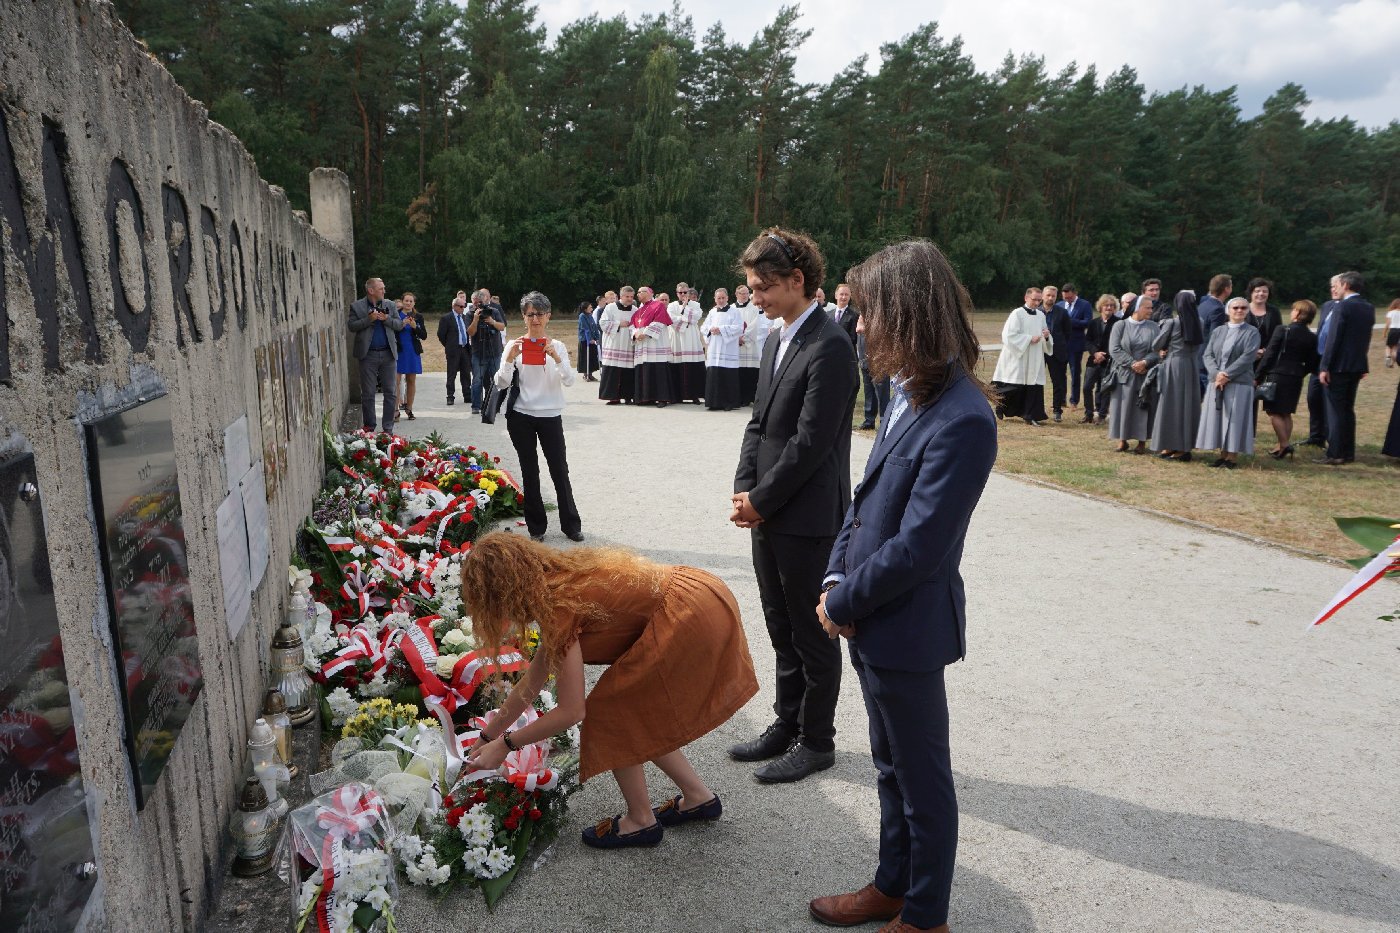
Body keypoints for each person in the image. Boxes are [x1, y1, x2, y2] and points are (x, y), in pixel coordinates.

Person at [808, 239, 997, 933]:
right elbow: (863, 502)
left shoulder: (964, 418)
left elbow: (920, 547)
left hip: (907, 625)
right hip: (868, 617)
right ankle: (891, 885)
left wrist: (841, 601)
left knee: (923, 781)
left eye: (869, 312)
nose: (858, 325)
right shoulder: (905, 391)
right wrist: (836, 574)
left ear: (908, 313)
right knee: (889, 767)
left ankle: (924, 916)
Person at [458, 532, 759, 850]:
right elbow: (531, 683)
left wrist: (506, 745)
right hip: (700, 593)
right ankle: (698, 797)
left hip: (690, 618)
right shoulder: (558, 579)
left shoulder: (557, 610)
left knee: (610, 714)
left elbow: (572, 711)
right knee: (633, 711)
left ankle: (640, 821)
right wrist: (487, 737)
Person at [729, 227, 857, 784]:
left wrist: (761, 499)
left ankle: (818, 740)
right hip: (768, 507)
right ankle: (787, 722)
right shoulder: (775, 340)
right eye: (752, 287)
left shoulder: (831, 345)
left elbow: (811, 442)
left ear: (797, 280)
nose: (754, 297)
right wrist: (745, 490)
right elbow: (758, 424)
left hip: (806, 514)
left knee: (811, 630)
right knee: (779, 623)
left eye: (763, 287)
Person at [496, 292, 583, 542]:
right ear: (523, 317)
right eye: (530, 314)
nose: (535, 319)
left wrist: (556, 358)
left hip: (550, 414)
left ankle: (571, 525)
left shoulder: (558, 346)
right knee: (529, 471)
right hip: (521, 415)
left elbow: (569, 380)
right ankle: (536, 528)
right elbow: (501, 382)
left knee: (559, 469)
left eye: (540, 314)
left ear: (548, 316)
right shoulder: (513, 345)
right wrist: (510, 359)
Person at [1316, 271, 1374, 466]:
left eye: (1338, 285)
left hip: (1338, 366)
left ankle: (1335, 453)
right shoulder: (1368, 307)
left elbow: (1334, 339)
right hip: (1355, 365)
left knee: (1335, 411)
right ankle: (1348, 452)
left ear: (1346, 286)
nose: (1336, 289)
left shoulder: (1342, 306)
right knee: (1348, 409)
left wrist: (1325, 366)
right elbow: (1364, 338)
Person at [1196, 297, 1261, 468]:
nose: (1239, 310)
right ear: (1228, 310)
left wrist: (1227, 374)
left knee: (1235, 419)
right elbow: (1207, 354)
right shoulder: (1218, 330)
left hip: (1239, 382)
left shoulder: (1252, 332)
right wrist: (1216, 374)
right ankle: (1222, 454)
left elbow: (1248, 357)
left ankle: (1232, 456)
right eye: (1235, 307)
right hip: (1217, 381)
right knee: (1219, 418)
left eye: (1243, 308)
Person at [1256, 300, 1320, 459]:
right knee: (1286, 412)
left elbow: (1269, 355)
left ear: (1298, 313)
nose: (1291, 312)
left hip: (1277, 375)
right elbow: (1313, 362)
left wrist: (1258, 376)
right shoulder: (1312, 336)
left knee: (1273, 412)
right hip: (1296, 377)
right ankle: (1281, 445)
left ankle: (1284, 445)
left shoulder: (1282, 330)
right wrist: (1299, 372)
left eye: (1293, 310)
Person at [1149, 290, 1204, 461]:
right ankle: (1182, 446)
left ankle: (1172, 445)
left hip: (1174, 365)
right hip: (1192, 365)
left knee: (1170, 405)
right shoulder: (1200, 321)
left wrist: (1164, 347)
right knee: (1187, 406)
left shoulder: (1172, 323)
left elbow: (1156, 345)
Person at [348, 276, 405, 433]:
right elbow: (352, 326)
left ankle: (388, 429)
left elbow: (399, 325)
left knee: (390, 392)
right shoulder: (357, 306)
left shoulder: (390, 305)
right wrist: (369, 319)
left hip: (388, 354)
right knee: (368, 393)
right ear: (371, 290)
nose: (384, 291)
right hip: (368, 355)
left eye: (384, 288)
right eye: (381, 289)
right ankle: (370, 428)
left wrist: (386, 319)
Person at [1106, 296, 1161, 454]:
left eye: (1151, 308)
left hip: (1146, 374)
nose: (1151, 310)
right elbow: (1114, 349)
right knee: (1122, 408)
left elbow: (1157, 350)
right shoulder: (1120, 325)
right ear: (1137, 308)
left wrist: (1144, 362)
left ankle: (1142, 442)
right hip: (1124, 374)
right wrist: (1132, 364)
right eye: (1148, 307)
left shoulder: (1153, 327)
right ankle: (1122, 440)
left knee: (1143, 408)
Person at [990, 287, 1051, 425]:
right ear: (1026, 298)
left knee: (1032, 386)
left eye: (1039, 300)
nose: (1037, 303)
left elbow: (1044, 334)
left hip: (1034, 356)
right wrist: (1029, 338)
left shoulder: (1041, 315)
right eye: (1034, 300)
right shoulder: (1017, 314)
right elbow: (1008, 335)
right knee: (1013, 385)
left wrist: (1047, 336)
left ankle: (1029, 414)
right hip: (1018, 356)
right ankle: (1000, 406)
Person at [631, 286, 678, 407]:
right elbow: (632, 325)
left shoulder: (658, 305)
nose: (638, 294)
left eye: (640, 292)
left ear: (649, 293)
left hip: (656, 343)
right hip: (642, 344)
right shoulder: (638, 310)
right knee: (645, 369)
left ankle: (662, 398)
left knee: (658, 370)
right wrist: (635, 334)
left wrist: (645, 333)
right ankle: (646, 398)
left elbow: (659, 322)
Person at [702, 287, 744, 411]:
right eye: (718, 298)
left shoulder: (734, 312)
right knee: (714, 374)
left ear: (727, 298)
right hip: (714, 347)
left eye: (723, 298)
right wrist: (710, 329)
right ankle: (713, 403)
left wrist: (721, 329)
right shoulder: (712, 312)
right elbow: (704, 327)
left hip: (728, 348)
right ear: (715, 299)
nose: (720, 300)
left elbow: (739, 328)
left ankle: (729, 403)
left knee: (728, 375)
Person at [1080, 295, 1119, 424]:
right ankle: (1089, 414)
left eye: (1112, 306)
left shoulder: (1118, 323)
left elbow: (1117, 343)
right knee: (1086, 387)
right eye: (1106, 305)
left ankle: (1102, 415)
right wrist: (1095, 353)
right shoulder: (1093, 322)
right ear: (1100, 307)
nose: (1109, 307)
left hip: (1109, 362)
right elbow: (1087, 341)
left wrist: (1104, 355)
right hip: (1093, 360)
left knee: (1105, 389)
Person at [467, 288, 507, 414]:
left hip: (494, 351)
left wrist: (492, 321)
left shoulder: (493, 311)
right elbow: (470, 332)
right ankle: (476, 406)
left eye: (478, 302)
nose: (477, 305)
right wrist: (475, 319)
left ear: (484, 300)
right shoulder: (470, 314)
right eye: (474, 303)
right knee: (477, 380)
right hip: (478, 352)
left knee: (496, 379)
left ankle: (495, 405)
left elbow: (502, 326)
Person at [598, 286, 637, 404]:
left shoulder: (635, 309)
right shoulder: (610, 307)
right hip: (613, 344)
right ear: (621, 296)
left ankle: (628, 397)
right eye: (627, 296)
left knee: (628, 372)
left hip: (628, 345)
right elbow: (602, 323)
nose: (629, 299)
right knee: (612, 371)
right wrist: (619, 324)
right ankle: (613, 397)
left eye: (631, 297)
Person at [668, 285, 706, 403]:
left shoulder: (695, 304)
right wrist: (686, 316)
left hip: (691, 338)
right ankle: (677, 396)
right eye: (680, 292)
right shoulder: (671, 305)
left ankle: (694, 395)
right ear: (677, 293)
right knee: (677, 366)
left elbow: (696, 317)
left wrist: (684, 309)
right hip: (677, 338)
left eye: (685, 292)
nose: (683, 294)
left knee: (693, 366)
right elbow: (671, 319)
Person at [1060, 283, 1094, 408]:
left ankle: (1074, 400)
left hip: (1076, 345)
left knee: (1075, 373)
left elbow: (1088, 322)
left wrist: (1070, 321)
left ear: (1075, 293)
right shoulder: (1059, 305)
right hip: (1061, 345)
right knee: (1060, 373)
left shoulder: (1085, 305)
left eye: (1069, 297)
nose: (1067, 300)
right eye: (1065, 298)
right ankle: (1061, 400)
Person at [856, 309, 891, 430]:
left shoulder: (882, 312)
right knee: (869, 391)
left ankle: (884, 421)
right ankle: (869, 420)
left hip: (879, 361)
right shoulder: (863, 313)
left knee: (882, 393)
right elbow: (859, 332)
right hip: (864, 358)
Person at [1041, 284, 1071, 421]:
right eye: (1048, 295)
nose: (1050, 298)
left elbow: (1067, 333)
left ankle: (1057, 410)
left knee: (1058, 382)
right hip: (1039, 351)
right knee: (1036, 382)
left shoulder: (1062, 313)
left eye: (1053, 296)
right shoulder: (1036, 312)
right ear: (1043, 296)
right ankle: (1037, 409)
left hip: (1056, 351)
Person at [395, 292, 426, 421]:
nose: (408, 303)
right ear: (402, 301)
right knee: (396, 381)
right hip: (398, 350)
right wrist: (402, 324)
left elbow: (424, 335)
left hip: (412, 351)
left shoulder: (418, 316)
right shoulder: (396, 314)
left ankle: (409, 408)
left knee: (411, 380)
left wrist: (414, 327)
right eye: (406, 301)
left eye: (411, 301)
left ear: (414, 303)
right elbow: (392, 331)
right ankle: (395, 410)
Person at [735, 284, 768, 405]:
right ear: (736, 294)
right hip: (735, 345)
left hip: (750, 345)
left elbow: (755, 325)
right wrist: (736, 338)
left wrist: (744, 338)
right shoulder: (731, 308)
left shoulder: (754, 308)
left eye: (746, 293)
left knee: (750, 371)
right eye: (742, 293)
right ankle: (738, 397)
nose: (744, 295)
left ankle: (750, 397)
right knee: (737, 372)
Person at [437, 296, 472, 406]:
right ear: (454, 306)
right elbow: (441, 334)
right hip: (453, 350)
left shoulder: (465, 317)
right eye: (461, 306)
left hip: (465, 349)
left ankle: (467, 395)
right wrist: (449, 345)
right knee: (451, 374)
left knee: (466, 373)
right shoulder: (446, 318)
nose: (463, 308)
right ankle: (450, 396)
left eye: (464, 306)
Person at [1243, 277, 1283, 358]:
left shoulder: (1274, 311)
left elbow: (1278, 334)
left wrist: (1265, 350)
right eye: (1257, 291)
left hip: (1268, 356)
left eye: (1265, 291)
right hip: (1244, 355)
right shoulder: (1241, 309)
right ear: (1251, 293)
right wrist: (1252, 351)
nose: (1261, 294)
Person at [576, 300, 601, 382]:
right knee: (586, 358)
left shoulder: (590, 315)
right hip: (585, 340)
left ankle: (590, 374)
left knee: (592, 357)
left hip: (592, 340)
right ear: (585, 309)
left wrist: (597, 337)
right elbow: (585, 328)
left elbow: (594, 327)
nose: (592, 309)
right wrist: (589, 339)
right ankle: (586, 374)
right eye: (590, 307)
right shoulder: (582, 316)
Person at [1384, 298, 1400, 368]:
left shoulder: (1390, 313)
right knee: (1395, 348)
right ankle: (1392, 364)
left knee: (1388, 346)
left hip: (1393, 331)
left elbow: (1387, 324)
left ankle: (1388, 357)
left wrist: (1384, 333)